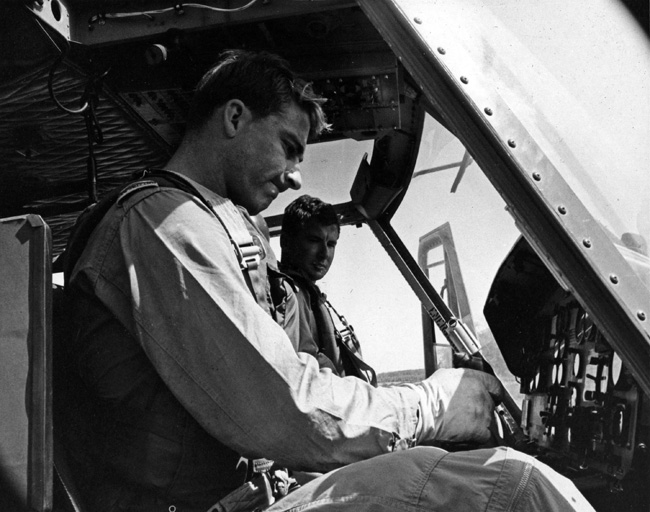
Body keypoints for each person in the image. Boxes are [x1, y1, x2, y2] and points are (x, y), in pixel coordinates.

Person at [57, 49, 594, 512]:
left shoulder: (192, 221)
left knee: (443, 467)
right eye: (290, 146)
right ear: (235, 117)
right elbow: (289, 409)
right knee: (511, 487)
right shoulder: (163, 223)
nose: (296, 176)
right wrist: (434, 405)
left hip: (244, 493)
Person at [279, 194, 376, 384]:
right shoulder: (289, 296)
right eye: (315, 240)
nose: (324, 254)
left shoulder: (310, 295)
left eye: (331, 244)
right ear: (286, 242)